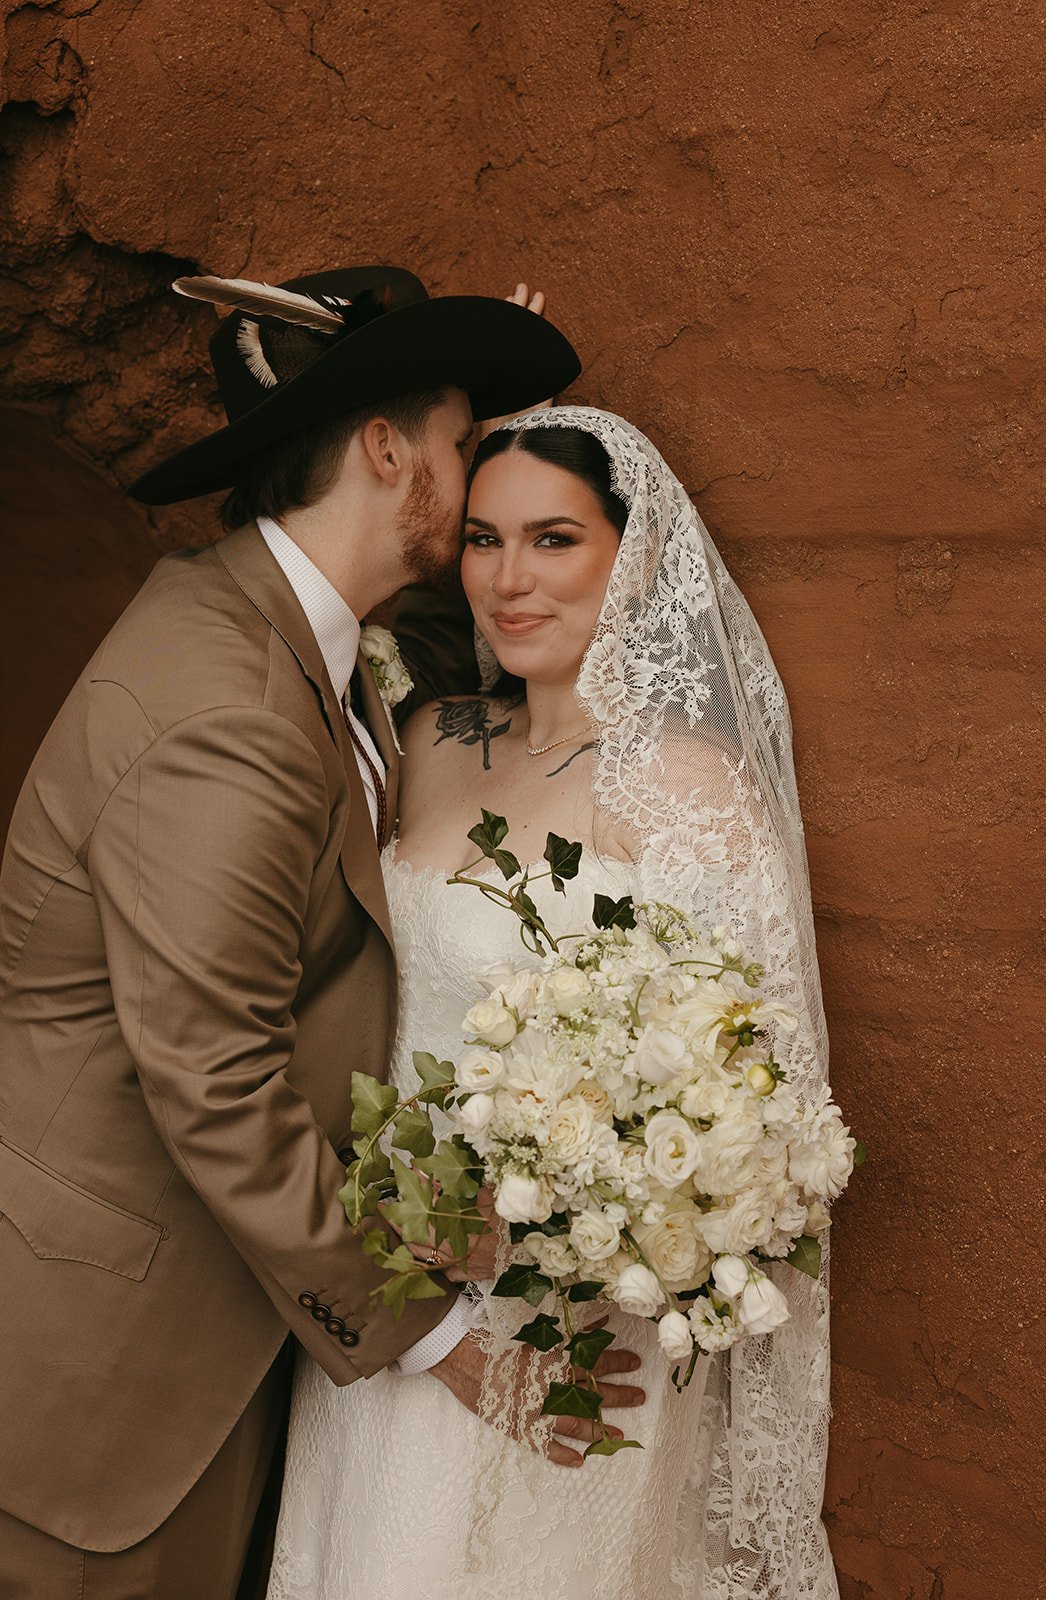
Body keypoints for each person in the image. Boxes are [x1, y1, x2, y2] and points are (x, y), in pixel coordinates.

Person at [0, 265, 650, 1600]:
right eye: (463, 448)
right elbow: (215, 1081)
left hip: (213, 1329)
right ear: (382, 450)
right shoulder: (227, 705)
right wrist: (429, 1339)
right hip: (106, 1384)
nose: (473, 492)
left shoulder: (305, 644)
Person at [266, 408, 841, 1600]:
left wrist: (539, 1235)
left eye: (554, 539)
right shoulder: (428, 737)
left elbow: (759, 1110)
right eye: (481, 538)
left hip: (563, 1330)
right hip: (387, 1304)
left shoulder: (685, 786)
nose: (509, 579)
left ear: (630, 561)